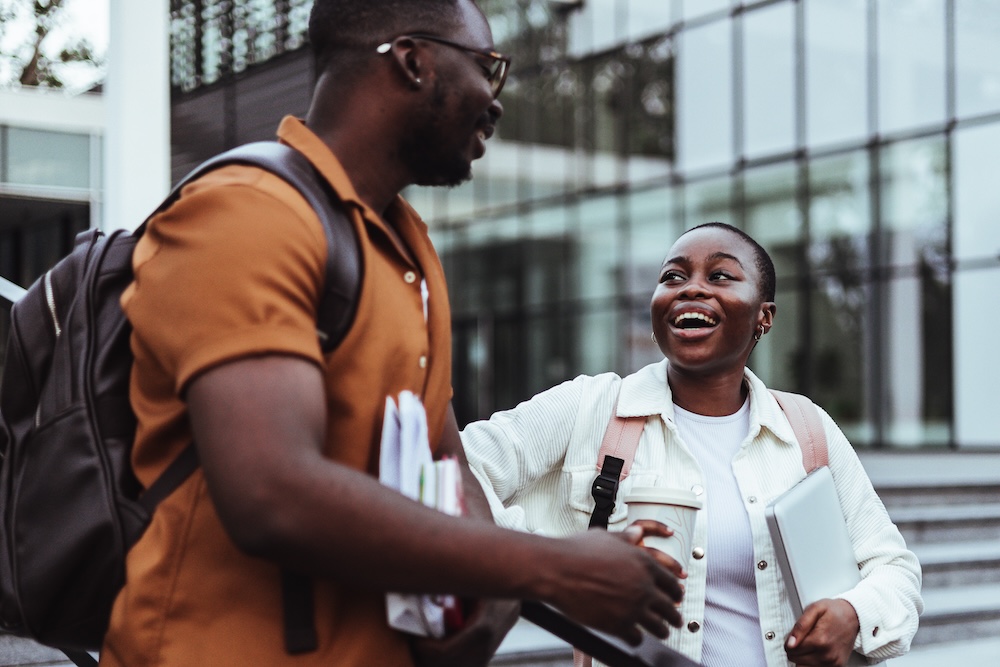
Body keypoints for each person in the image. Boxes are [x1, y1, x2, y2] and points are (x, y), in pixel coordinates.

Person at [98, 1, 685, 665]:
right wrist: (550, 565)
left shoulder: (408, 247)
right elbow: (271, 493)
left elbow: (446, 458)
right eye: (487, 69)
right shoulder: (247, 213)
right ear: (412, 60)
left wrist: (483, 608)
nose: (495, 103)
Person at [462, 222, 923, 667]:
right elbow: (453, 469)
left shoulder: (805, 428)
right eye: (673, 277)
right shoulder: (590, 407)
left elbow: (895, 570)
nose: (690, 289)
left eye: (720, 275)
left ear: (765, 316)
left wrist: (854, 615)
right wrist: (557, 564)